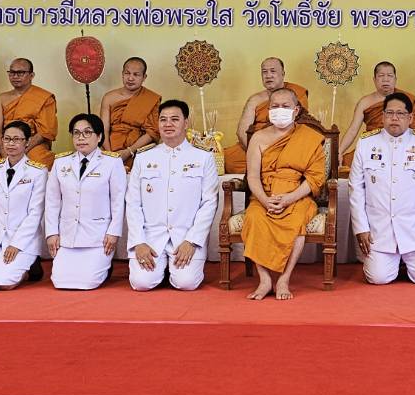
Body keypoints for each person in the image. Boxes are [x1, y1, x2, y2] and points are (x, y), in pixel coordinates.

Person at [240, 87, 328, 300]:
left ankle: (284, 279)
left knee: (297, 221)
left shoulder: (310, 137)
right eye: (275, 107)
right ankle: (264, 280)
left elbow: (314, 178)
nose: (279, 110)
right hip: (266, 194)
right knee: (253, 218)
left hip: (297, 196)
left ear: (296, 110)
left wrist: (289, 198)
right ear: (268, 110)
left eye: (285, 106)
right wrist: (264, 200)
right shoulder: (258, 138)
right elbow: (252, 177)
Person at [349, 91, 415, 285]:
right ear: (382, 116)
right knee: (378, 278)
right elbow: (356, 189)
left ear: (410, 118)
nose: (394, 118)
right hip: (379, 230)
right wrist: (361, 228)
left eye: (400, 114)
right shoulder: (366, 144)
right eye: (389, 113)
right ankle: (392, 261)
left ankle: (408, 260)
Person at [127, 99, 220, 292]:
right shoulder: (144, 158)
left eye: (174, 119)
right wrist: (139, 242)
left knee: (186, 283)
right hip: (151, 236)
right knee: (141, 283)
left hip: (185, 235)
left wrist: (193, 240)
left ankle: (170, 269)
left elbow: (209, 203)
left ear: (186, 123)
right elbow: (133, 203)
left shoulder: (203, 158)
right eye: (163, 120)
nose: (168, 124)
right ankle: (161, 268)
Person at [45, 113, 125, 290]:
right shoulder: (61, 163)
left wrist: (113, 232)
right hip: (68, 236)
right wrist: (51, 233)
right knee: (60, 281)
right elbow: (52, 202)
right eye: (76, 133)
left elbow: (118, 201)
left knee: (88, 282)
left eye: (87, 132)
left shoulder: (112, 162)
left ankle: (105, 265)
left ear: (100, 136)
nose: (81, 138)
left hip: (98, 237)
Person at [0, 120, 47, 288]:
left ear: (27, 142)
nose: (11, 143)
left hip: (22, 240)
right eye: (7, 139)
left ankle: (31, 267)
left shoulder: (37, 172)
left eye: (17, 139)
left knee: (4, 284)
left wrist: (16, 244)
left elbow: (35, 213)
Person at [222, 57, 310, 174]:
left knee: (302, 158)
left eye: (273, 71)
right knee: (228, 159)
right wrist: (256, 151)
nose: (268, 75)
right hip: (258, 144)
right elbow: (242, 131)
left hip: (286, 145)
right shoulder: (255, 99)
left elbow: (302, 125)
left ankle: (274, 165)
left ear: (283, 74)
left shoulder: (296, 93)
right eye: (264, 72)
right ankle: (272, 166)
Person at [340, 61, 415, 171]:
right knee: (347, 163)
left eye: (390, 76)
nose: (385, 79)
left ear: (395, 79)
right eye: (381, 76)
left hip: (403, 147)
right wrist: (339, 151)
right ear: (374, 80)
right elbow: (353, 130)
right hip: (374, 147)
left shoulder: (407, 99)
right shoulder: (365, 102)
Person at [0, 58, 57, 168]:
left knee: (40, 162)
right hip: (7, 145)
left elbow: (45, 132)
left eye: (20, 73)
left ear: (31, 75)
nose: (15, 76)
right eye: (12, 72)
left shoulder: (44, 98)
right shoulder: (2, 98)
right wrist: (4, 152)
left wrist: (22, 149)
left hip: (32, 146)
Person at [100, 56, 161, 171]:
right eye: (127, 73)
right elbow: (104, 129)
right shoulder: (109, 97)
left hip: (140, 151)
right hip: (111, 148)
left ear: (144, 77)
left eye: (136, 74)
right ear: (122, 74)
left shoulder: (151, 98)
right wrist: (110, 155)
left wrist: (128, 151)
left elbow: (152, 132)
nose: (130, 78)